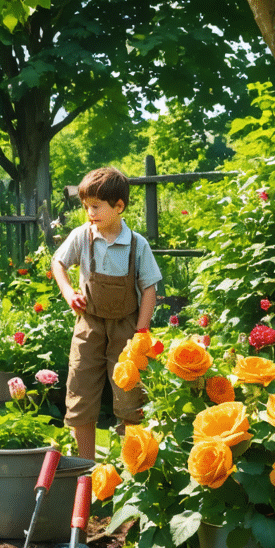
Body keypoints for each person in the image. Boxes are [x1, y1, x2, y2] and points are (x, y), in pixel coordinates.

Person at [51, 167, 161, 461]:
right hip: (88, 326)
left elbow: (149, 288)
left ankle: (131, 469)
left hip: (127, 330)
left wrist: (141, 332)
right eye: (86, 206)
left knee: (129, 397)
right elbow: (58, 263)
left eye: (96, 207)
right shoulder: (81, 237)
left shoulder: (137, 245)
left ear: (119, 206)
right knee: (80, 393)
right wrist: (69, 293)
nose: (90, 213)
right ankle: (85, 468)